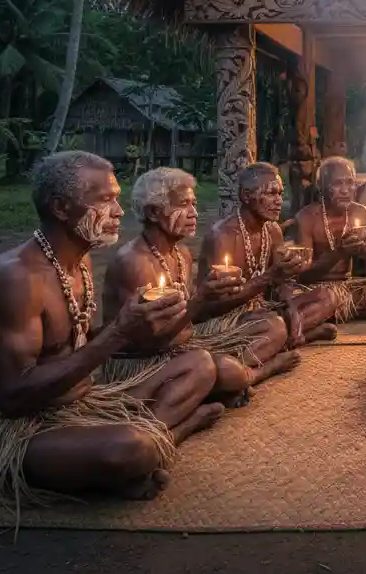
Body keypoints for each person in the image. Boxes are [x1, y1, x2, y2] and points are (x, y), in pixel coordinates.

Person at [0, 152, 222, 527]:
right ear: (61, 208)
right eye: (104, 200)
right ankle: (169, 435)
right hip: (19, 425)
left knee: (198, 364)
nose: (117, 210)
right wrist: (119, 333)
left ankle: (141, 447)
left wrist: (142, 327)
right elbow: (11, 395)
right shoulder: (15, 280)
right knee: (131, 449)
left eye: (116, 197)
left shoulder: (77, 261)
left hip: (83, 402)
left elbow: (77, 343)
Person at [101, 168, 301, 406]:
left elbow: (189, 320)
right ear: (154, 212)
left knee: (272, 326)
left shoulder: (182, 254)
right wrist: (202, 299)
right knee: (225, 370)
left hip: (184, 343)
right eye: (184, 205)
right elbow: (150, 343)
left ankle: (217, 385)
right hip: (142, 361)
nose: (194, 213)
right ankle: (257, 373)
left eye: (194, 204)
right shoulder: (134, 262)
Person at [196, 162, 334, 355]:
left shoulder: (272, 229)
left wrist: (294, 314)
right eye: (270, 193)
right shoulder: (222, 236)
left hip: (263, 309)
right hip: (227, 318)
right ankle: (280, 346)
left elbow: (281, 284)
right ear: (246, 196)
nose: (279, 200)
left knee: (326, 296)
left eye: (280, 193)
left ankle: (291, 333)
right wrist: (269, 277)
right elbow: (214, 306)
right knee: (273, 326)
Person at [293, 156, 366, 324]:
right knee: (318, 298)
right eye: (337, 184)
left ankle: (333, 314)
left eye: (350, 183)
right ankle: (354, 312)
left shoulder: (361, 213)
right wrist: (339, 251)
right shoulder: (306, 218)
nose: (345, 190)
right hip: (314, 290)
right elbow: (304, 275)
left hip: (347, 287)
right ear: (322, 187)